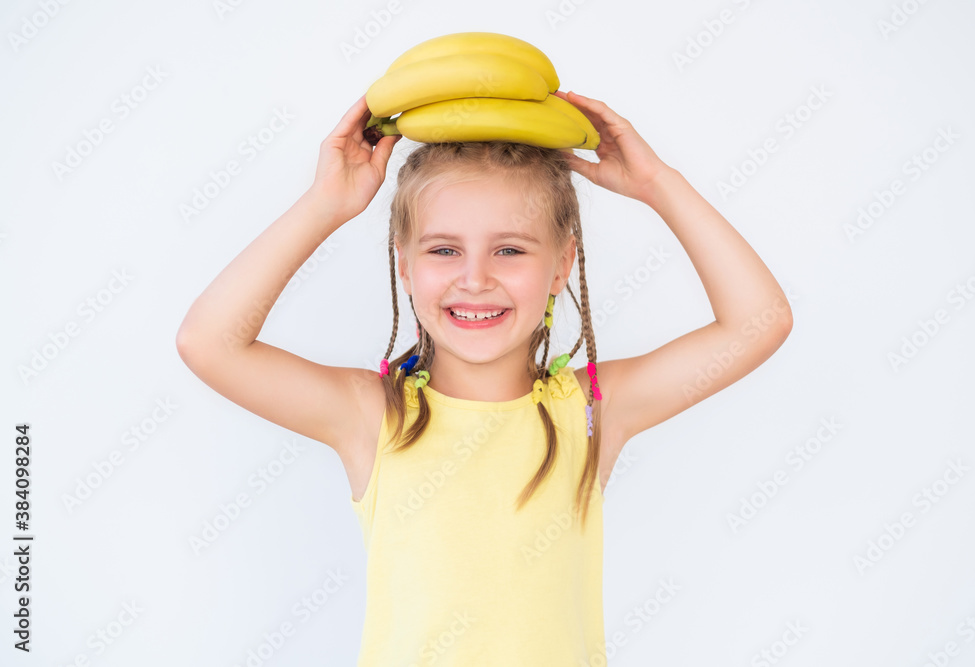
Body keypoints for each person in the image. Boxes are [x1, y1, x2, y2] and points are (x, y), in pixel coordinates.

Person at [175, 90, 793, 665]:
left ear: (562, 264)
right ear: (404, 264)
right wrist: (324, 205)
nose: (475, 278)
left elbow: (758, 322)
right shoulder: (371, 416)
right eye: (444, 250)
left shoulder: (590, 411)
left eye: (511, 250)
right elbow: (209, 344)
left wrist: (659, 184)